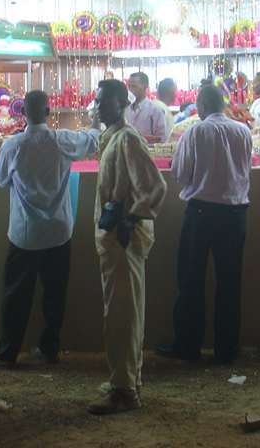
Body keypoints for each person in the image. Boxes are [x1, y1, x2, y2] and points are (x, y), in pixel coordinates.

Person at [0, 90, 101, 369]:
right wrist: (95, 119)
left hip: (25, 233)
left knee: (15, 296)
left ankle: (6, 352)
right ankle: (50, 349)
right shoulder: (63, 140)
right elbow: (93, 140)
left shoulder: (13, 145)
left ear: (21, 112)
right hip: (58, 231)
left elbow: (0, 179)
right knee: (54, 296)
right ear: (48, 112)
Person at [156, 84, 252, 365]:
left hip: (201, 212)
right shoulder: (243, 131)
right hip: (236, 213)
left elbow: (180, 173)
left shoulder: (197, 131)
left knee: (191, 281)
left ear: (202, 105)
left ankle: (188, 345)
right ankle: (228, 349)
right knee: (230, 283)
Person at [87, 78, 166, 415]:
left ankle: (124, 392)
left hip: (123, 241)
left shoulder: (127, 138)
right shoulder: (114, 138)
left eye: (105, 101)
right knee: (122, 314)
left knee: (122, 316)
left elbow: (154, 185)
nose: (98, 105)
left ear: (122, 103)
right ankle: (126, 381)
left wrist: (131, 221)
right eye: (97, 100)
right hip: (114, 240)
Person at [126, 71, 167, 142]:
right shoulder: (126, 109)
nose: (130, 90)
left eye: (134, 86)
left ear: (145, 87)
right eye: (129, 87)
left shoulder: (155, 110)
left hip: (148, 151)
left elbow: (162, 138)